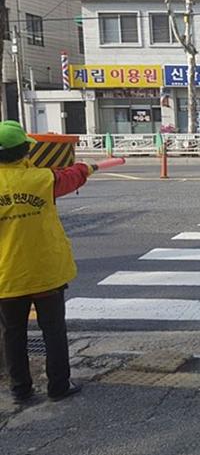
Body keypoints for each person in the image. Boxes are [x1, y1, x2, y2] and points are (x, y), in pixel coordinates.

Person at [0, 121, 89, 404]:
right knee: (53, 331)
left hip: (6, 277)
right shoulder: (43, 179)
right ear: (25, 151)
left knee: (13, 334)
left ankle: (20, 389)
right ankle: (58, 386)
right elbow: (72, 176)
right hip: (45, 272)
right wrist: (86, 168)